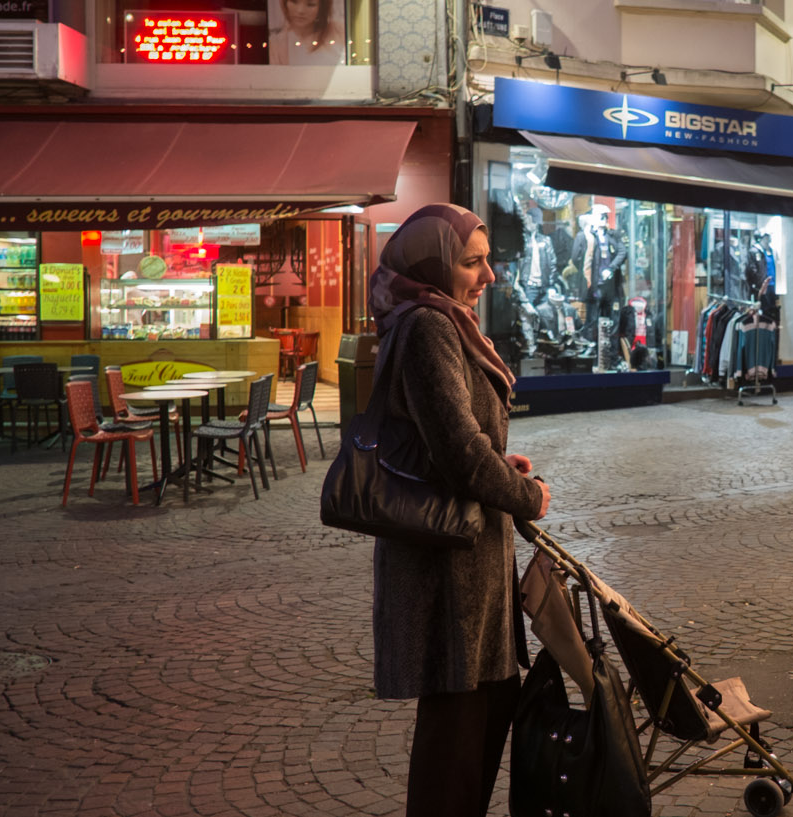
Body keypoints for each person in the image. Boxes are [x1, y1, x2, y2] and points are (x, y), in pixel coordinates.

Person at [367, 203, 551, 817]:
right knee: (456, 736)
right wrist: (528, 496)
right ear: (433, 264)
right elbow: (460, 452)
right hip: (449, 567)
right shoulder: (428, 326)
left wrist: (504, 460)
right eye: (473, 262)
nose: (489, 275)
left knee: (485, 713)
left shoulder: (442, 321)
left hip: (472, 562)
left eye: (487, 260)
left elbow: (455, 439)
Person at [270, 0, 346, 65]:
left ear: (321, 7)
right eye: (294, 1)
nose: (300, 10)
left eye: (310, 4)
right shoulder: (276, 45)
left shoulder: (339, 30)